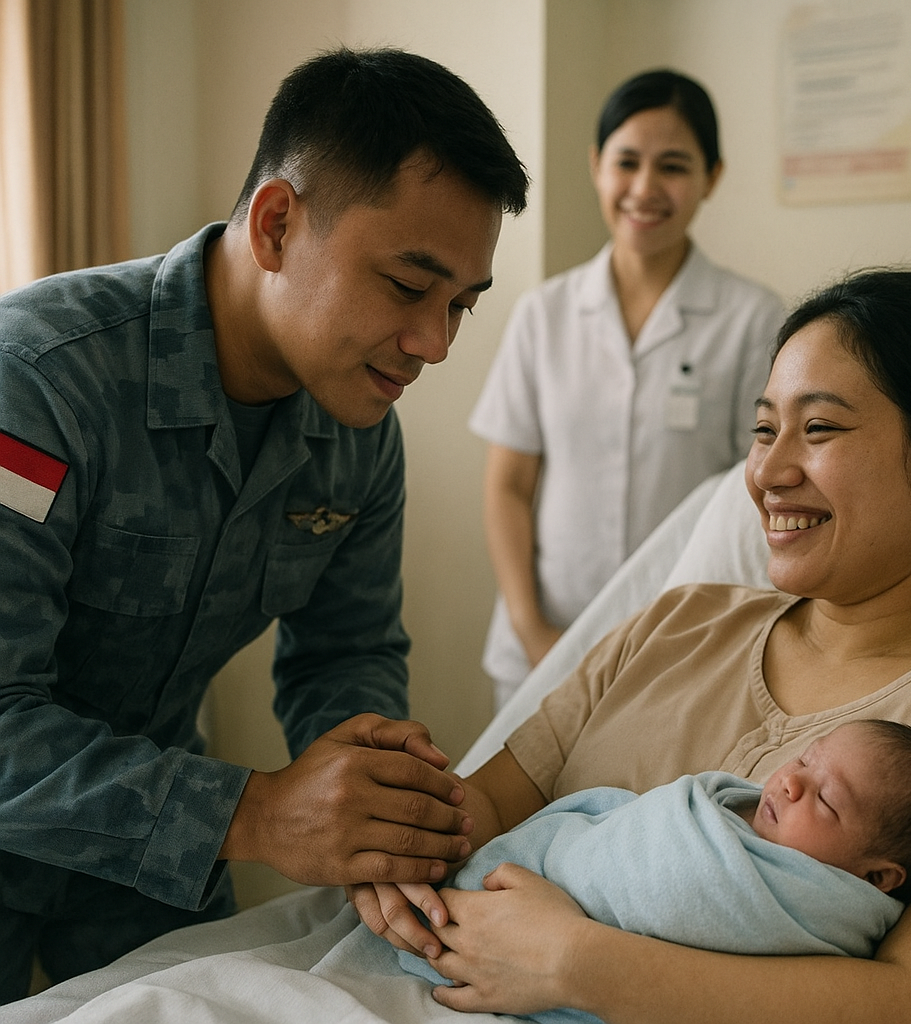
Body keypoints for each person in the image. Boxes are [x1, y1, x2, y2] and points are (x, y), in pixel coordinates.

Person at [353, 268, 911, 1024]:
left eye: (820, 428)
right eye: (764, 430)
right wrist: (389, 832)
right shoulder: (678, 623)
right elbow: (485, 806)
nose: (768, 473)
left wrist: (573, 964)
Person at [0, 46, 528, 1001]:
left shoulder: (358, 438)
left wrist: (377, 807)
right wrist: (255, 813)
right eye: (409, 286)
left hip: (143, 858)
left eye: (461, 305)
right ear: (277, 223)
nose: (435, 344)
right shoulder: (38, 384)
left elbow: (344, 653)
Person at [469, 69, 785, 708]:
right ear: (596, 166)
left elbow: (756, 493)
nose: (644, 188)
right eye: (627, 162)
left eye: (673, 166)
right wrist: (535, 635)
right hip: (542, 646)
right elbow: (508, 486)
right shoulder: (545, 314)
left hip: (685, 649)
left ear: (712, 177)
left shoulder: (753, 319)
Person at [398, 719, 911, 1024]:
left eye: (826, 801)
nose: (788, 782)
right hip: (477, 885)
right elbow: (490, 803)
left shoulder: (815, 906)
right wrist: (397, 824)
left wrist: (572, 956)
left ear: (878, 879)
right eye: (805, 759)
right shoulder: (682, 613)